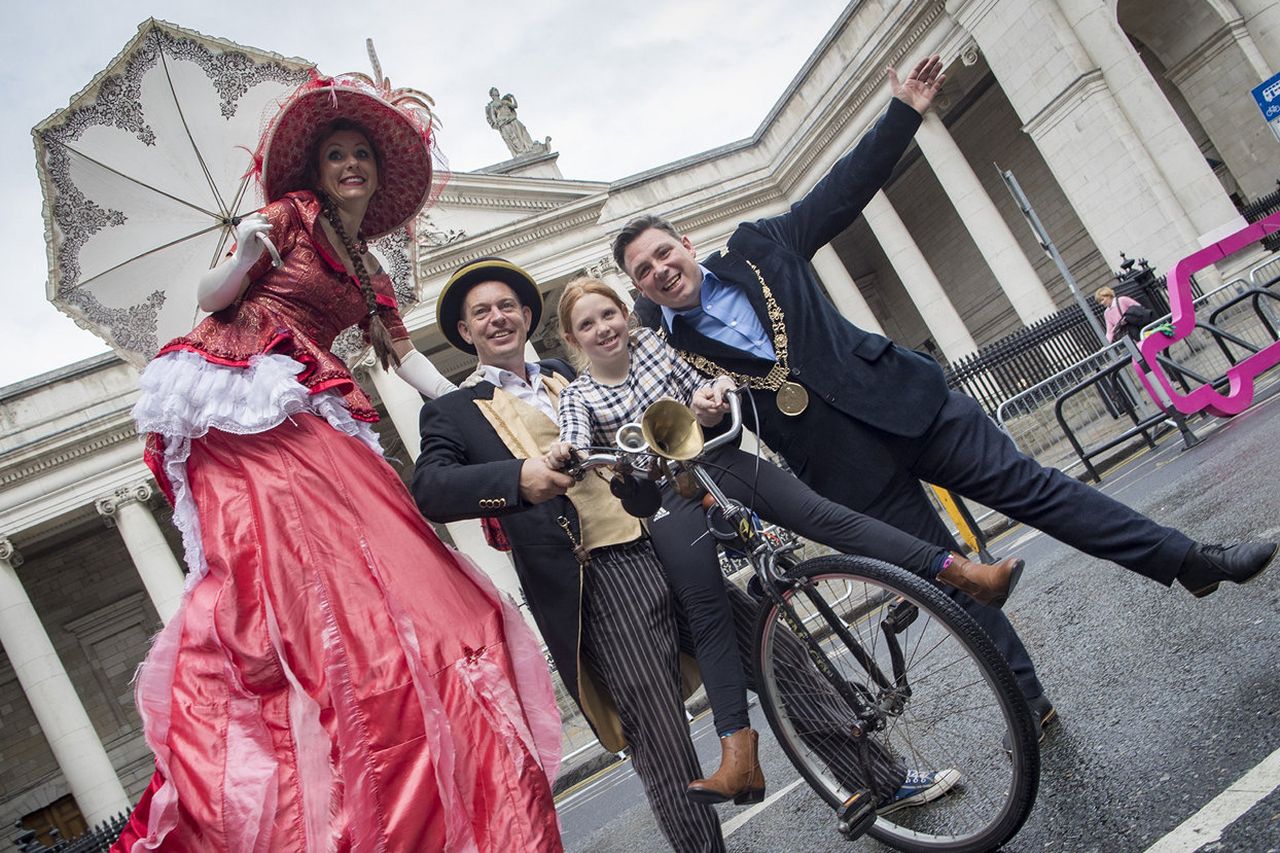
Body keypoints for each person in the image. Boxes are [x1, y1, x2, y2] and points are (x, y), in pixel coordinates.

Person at [615, 54, 1277, 747]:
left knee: (1040, 491)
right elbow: (684, 431)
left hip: (908, 403)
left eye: (664, 252)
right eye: (644, 271)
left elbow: (839, 192)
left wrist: (904, 111)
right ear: (640, 286)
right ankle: (1029, 702)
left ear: (686, 244)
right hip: (844, 469)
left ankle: (1190, 561)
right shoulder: (665, 347)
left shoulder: (759, 246)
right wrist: (711, 414)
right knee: (958, 582)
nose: (662, 270)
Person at [111, 75, 562, 852]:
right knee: (298, 572)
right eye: (337, 155)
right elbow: (211, 293)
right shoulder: (287, 216)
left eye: (361, 155)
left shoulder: (370, 269)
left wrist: (484, 396)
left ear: (378, 173)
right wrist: (247, 250)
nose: (350, 164)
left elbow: (406, 360)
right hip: (249, 388)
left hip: (317, 400)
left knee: (405, 570)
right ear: (317, 170)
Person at [413, 258, 956, 853]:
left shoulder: (573, 374)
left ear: (526, 315)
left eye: (506, 306)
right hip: (602, 578)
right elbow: (431, 490)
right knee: (661, 731)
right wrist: (519, 477)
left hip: (666, 536)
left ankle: (881, 781)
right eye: (482, 313)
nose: (498, 318)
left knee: (777, 655)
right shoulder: (454, 411)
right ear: (465, 333)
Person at [544, 277, 1024, 802]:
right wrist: (565, 453)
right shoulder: (580, 394)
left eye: (607, 315)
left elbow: (715, 379)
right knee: (706, 610)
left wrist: (714, 397)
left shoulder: (657, 345)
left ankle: (962, 572)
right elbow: (570, 434)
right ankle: (738, 757)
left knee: (828, 518)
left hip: (718, 458)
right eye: (586, 325)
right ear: (573, 338)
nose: (602, 329)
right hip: (668, 496)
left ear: (623, 314)